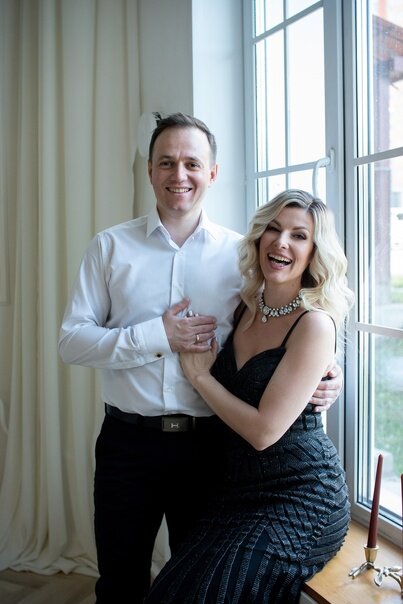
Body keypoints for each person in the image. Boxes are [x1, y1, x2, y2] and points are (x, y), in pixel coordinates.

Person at [58, 115, 343, 604]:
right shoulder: (109, 247)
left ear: (212, 173)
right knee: (120, 583)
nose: (179, 174)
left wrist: (331, 374)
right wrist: (158, 335)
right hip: (128, 444)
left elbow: (294, 323)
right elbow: (72, 342)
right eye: (167, 162)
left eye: (192, 163)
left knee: (196, 584)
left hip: (212, 450)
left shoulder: (243, 259)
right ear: (149, 170)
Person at [145, 189, 355, 604]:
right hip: (236, 491)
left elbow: (263, 432)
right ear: (259, 238)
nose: (281, 242)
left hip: (300, 496)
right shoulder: (244, 306)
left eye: (299, 235)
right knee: (167, 591)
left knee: (212, 592)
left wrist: (200, 377)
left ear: (315, 252)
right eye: (273, 229)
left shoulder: (314, 324)